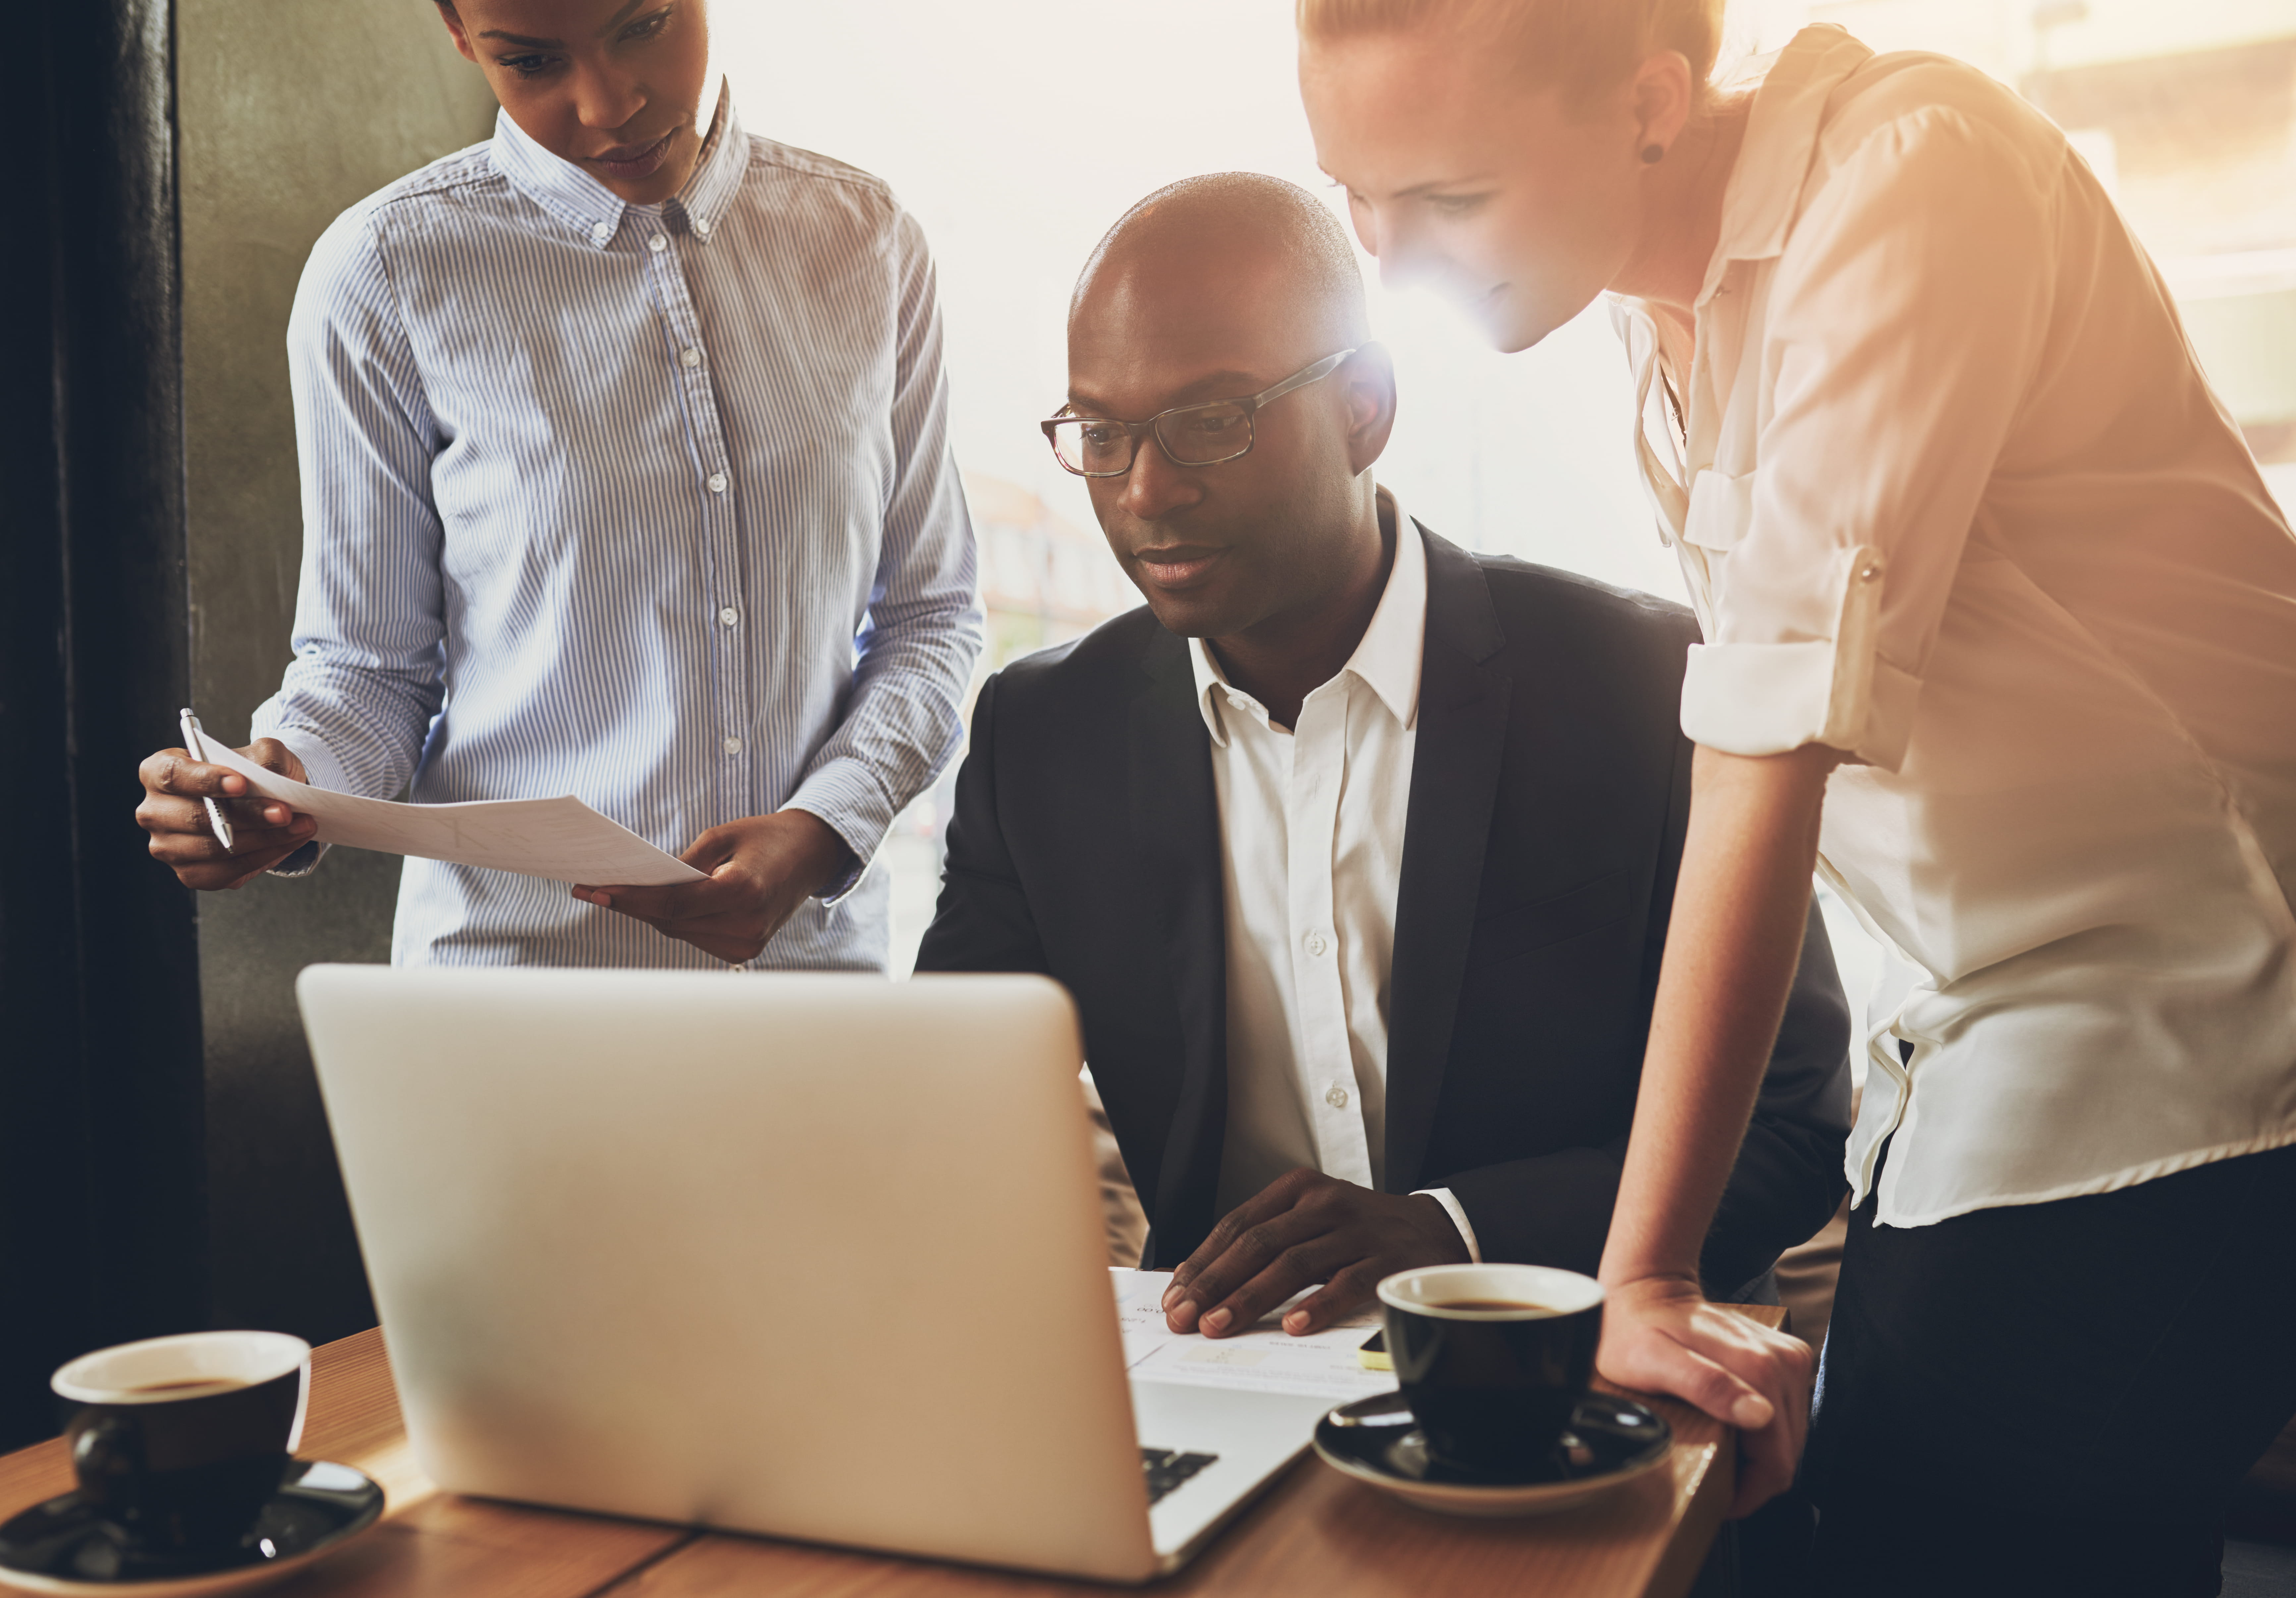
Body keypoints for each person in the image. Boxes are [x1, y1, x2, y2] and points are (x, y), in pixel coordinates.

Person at [1298, 2, 2296, 1589]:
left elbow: (1764, 755)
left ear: (1647, 104)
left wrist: (1640, 1275)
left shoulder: (1912, 179)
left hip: (2206, 1033)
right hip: (1979, 1050)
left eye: (1449, 199)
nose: (1386, 258)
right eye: (1355, 191)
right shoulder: (1658, 310)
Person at [915, 174, 1850, 1354]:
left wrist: (1451, 1232)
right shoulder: (1042, 737)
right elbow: (939, 1112)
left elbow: (1791, 1128)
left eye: (1210, 421)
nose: (1145, 490)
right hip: (1215, 1372)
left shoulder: (1644, 681)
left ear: (1364, 407)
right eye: (1101, 436)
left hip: (1574, 1365)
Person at [133, 0, 980, 970]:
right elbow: (367, 673)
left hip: (811, 990)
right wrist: (274, 788)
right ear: (460, 37)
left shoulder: (869, 239)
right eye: (532, 61)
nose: (609, 103)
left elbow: (931, 619)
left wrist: (825, 827)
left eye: (642, 25)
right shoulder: (383, 274)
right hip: (503, 997)